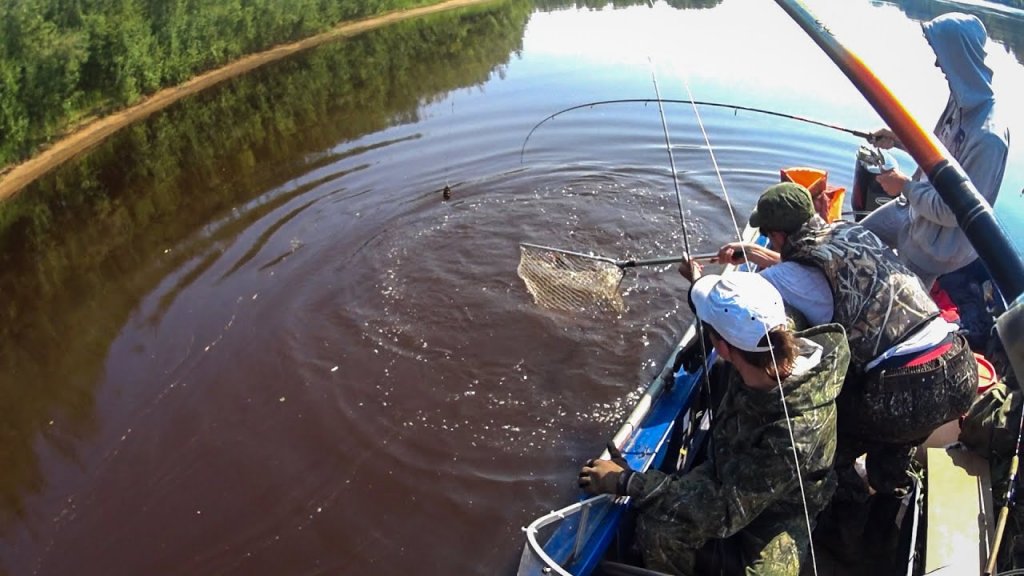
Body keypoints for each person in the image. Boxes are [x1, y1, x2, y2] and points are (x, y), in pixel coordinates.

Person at [718, 182, 978, 546]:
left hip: (905, 388)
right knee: (896, 446)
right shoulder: (849, 231)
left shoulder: (783, 278)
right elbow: (818, 269)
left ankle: (844, 538)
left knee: (825, 450)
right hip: (957, 363)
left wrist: (699, 281)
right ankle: (887, 524)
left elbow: (756, 303)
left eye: (767, 236)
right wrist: (754, 253)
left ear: (777, 234)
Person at [578, 269, 849, 575]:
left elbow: (724, 512)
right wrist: (704, 340)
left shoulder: (793, 434)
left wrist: (628, 481)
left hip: (779, 515)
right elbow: (745, 323)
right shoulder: (773, 338)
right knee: (659, 526)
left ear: (724, 347)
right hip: (728, 467)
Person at [863, 12, 1008, 291]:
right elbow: (937, 155)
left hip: (934, 249)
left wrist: (904, 186)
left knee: (894, 304)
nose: (937, 62)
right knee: (856, 236)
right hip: (913, 213)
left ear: (958, 55)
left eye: (941, 54)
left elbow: (954, 211)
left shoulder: (989, 139)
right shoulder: (961, 102)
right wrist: (899, 140)